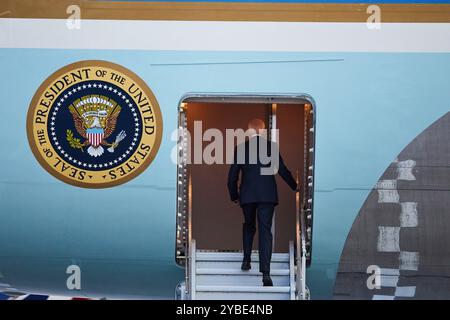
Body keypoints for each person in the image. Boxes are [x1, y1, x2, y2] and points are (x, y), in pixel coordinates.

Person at [227, 118, 298, 286]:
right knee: (265, 231)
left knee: (249, 225)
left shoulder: (241, 149)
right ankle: (266, 274)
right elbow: (282, 169)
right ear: (263, 130)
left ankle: (246, 260)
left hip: (248, 196)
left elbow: (232, 176)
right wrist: (295, 186)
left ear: (249, 131)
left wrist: (234, 195)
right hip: (267, 195)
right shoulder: (270, 147)